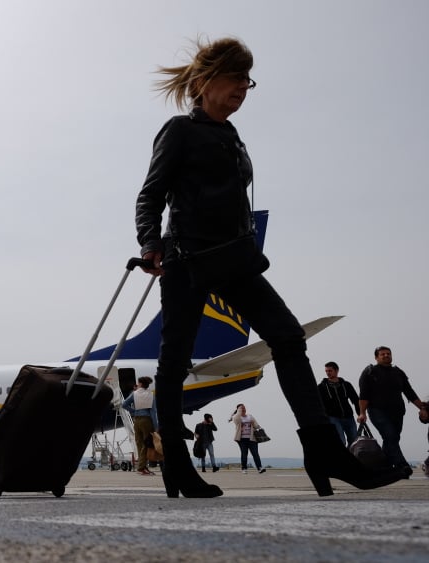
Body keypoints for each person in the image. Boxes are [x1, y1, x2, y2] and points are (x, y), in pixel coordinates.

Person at [134, 36, 406, 498]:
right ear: (206, 80)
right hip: (188, 260)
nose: (244, 86)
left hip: (235, 261)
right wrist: (149, 243)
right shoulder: (179, 130)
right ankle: (177, 468)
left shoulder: (232, 137)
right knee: (174, 359)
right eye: (236, 76)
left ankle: (323, 451)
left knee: (287, 336)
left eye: (248, 79)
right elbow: (150, 194)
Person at [358, 346, 425, 476]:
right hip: (377, 411)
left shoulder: (398, 372)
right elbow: (363, 395)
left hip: (397, 412)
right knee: (390, 436)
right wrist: (362, 413)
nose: (386, 356)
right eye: (382, 354)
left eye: (388, 353)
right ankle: (403, 466)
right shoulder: (369, 372)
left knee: (392, 439)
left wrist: (422, 407)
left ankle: (384, 467)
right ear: (376, 357)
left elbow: (409, 392)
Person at [121, 376, 158, 476]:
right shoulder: (151, 395)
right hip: (147, 420)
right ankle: (142, 467)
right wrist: (156, 427)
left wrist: (134, 411)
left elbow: (124, 404)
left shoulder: (134, 394)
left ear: (140, 384)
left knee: (139, 443)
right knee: (147, 444)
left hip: (137, 420)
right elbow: (153, 412)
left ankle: (143, 467)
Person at [317, 362, 361, 446]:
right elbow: (318, 404)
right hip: (333, 418)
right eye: (326, 371)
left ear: (336, 370)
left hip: (349, 417)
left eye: (330, 370)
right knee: (341, 441)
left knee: (354, 442)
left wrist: (360, 414)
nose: (328, 373)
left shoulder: (346, 385)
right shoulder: (321, 387)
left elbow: (356, 400)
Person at [228, 404, 265, 474]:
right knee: (244, 454)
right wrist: (239, 410)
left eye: (244, 408)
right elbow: (235, 419)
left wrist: (254, 424)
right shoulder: (237, 417)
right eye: (242, 408)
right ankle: (244, 468)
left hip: (252, 438)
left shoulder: (250, 416)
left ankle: (259, 468)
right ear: (238, 410)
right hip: (242, 439)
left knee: (255, 453)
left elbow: (256, 425)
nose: (244, 409)